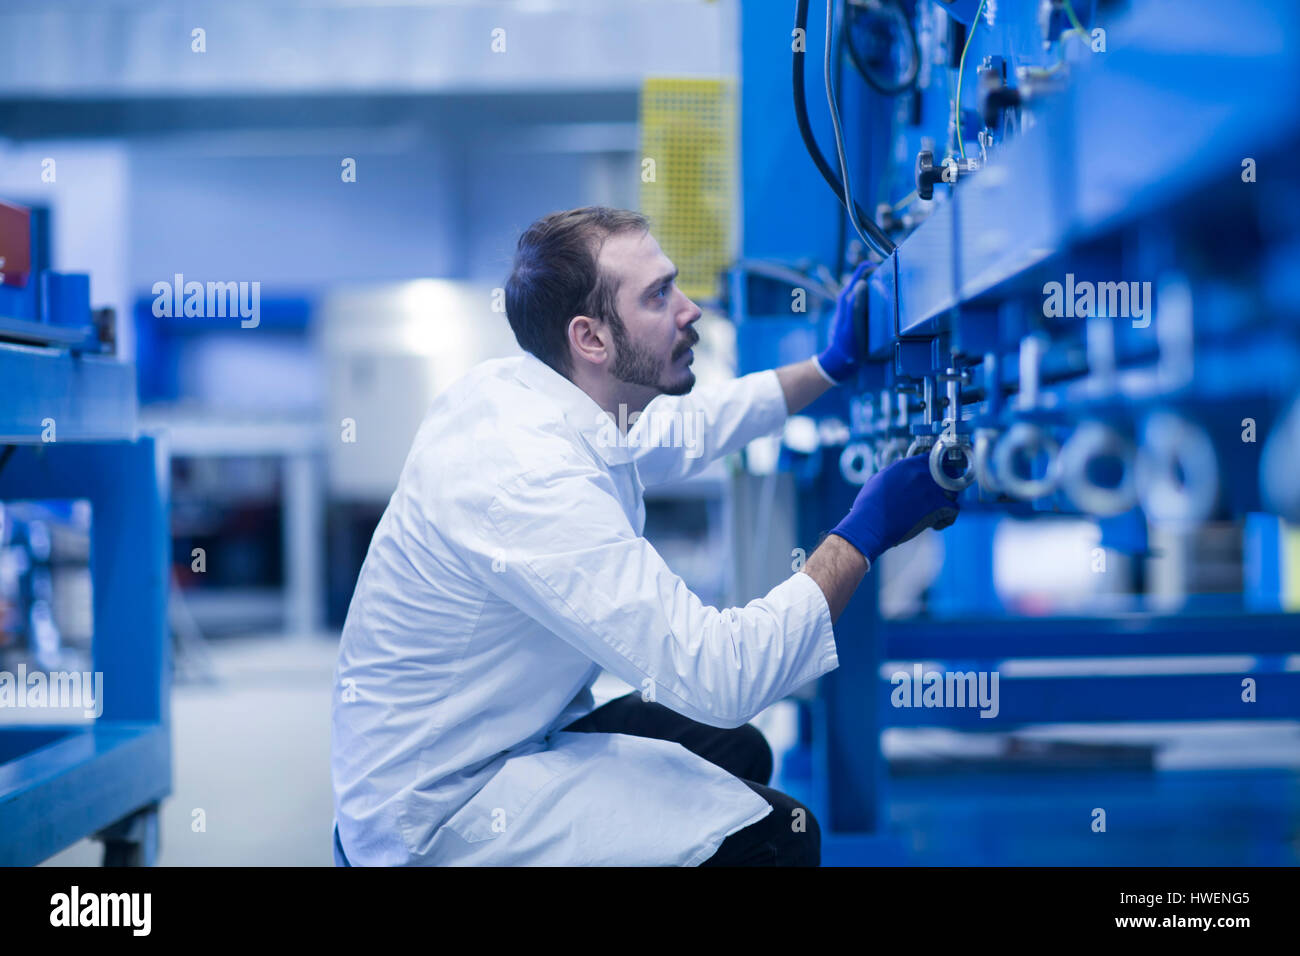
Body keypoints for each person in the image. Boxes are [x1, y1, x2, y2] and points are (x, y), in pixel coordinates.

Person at [330, 206, 958, 866]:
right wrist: (862, 534)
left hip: (504, 733)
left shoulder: (541, 395)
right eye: (659, 295)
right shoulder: (527, 478)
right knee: (775, 835)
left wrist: (828, 367)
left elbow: (690, 430)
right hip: (438, 812)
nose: (690, 311)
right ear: (591, 338)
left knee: (733, 748)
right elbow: (723, 673)